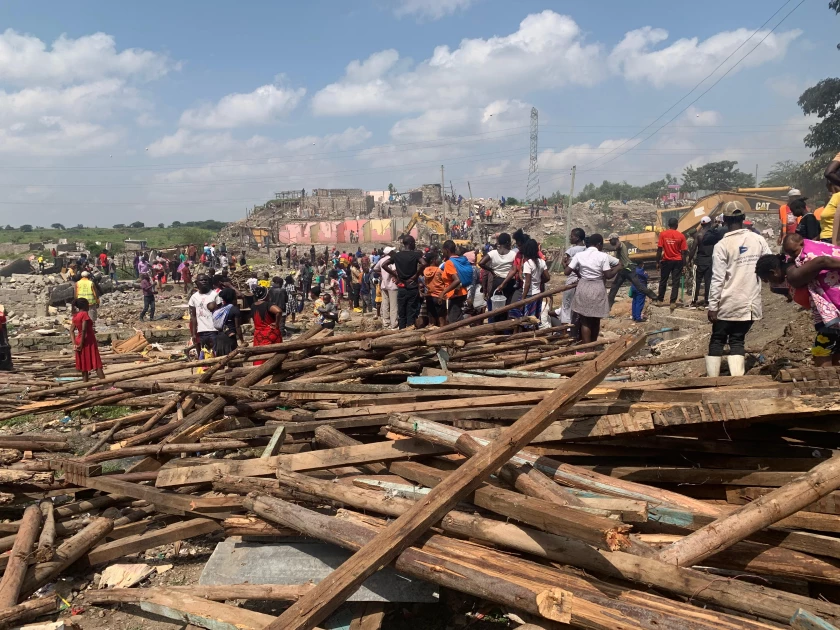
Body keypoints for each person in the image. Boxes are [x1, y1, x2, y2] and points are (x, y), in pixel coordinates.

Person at [705, 201, 771, 377]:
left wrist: (713, 306)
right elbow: (770, 265)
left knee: (717, 339)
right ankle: (737, 380)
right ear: (743, 218)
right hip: (749, 303)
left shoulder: (722, 246)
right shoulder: (758, 240)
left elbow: (718, 278)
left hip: (728, 302)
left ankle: (713, 380)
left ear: (724, 220)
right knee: (737, 339)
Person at [564, 234, 620, 344]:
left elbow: (567, 272)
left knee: (585, 320)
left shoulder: (579, 255)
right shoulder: (602, 256)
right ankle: (593, 345)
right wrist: (618, 268)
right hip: (597, 287)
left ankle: (587, 347)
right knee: (596, 319)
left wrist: (578, 273)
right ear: (599, 244)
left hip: (583, 287)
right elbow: (608, 275)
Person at [607, 232, 658, 309]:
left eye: (610, 240)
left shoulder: (620, 244)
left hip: (629, 269)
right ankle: (607, 307)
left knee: (639, 287)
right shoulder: (618, 247)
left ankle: (655, 297)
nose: (610, 242)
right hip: (623, 270)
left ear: (615, 239)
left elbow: (616, 247)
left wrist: (604, 249)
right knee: (614, 287)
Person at [478, 233, 516, 319]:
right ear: (508, 243)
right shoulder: (513, 254)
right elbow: (514, 270)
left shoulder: (493, 253)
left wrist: (491, 270)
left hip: (496, 281)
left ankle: (496, 325)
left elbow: (480, 263)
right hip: (508, 282)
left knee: (496, 304)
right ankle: (506, 327)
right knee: (507, 305)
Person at [656, 217, 688, 310]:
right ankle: (672, 302)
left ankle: (660, 300)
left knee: (663, 281)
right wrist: (684, 265)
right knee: (675, 282)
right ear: (677, 225)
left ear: (668, 225)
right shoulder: (681, 236)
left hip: (666, 261)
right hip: (677, 261)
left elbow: (659, 250)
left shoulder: (663, 234)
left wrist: (657, 262)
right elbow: (683, 253)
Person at [558, 228, 587, 330]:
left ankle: (565, 332)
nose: (570, 238)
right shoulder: (586, 249)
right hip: (583, 281)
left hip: (571, 281)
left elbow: (566, 268)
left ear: (577, 238)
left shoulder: (571, 250)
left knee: (566, 306)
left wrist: (564, 264)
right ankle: (577, 329)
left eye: (572, 236)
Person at [689, 216, 721, 308]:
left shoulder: (699, 235)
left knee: (696, 282)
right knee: (708, 282)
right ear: (709, 223)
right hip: (710, 261)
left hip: (699, 261)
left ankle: (694, 302)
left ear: (702, 224)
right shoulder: (713, 235)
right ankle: (707, 302)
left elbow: (693, 249)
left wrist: (689, 260)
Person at [70, 298, 104, 382]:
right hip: (87, 341)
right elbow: (84, 329)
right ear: (84, 305)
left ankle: (86, 386)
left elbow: (71, 331)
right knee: (96, 363)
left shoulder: (75, 316)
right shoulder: (84, 314)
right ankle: (106, 384)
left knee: (83, 365)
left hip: (79, 340)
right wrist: (82, 343)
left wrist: (74, 343)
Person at [188, 274, 221, 355]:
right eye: (201, 280)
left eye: (205, 280)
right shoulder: (194, 297)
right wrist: (194, 334)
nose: (204, 282)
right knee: (205, 352)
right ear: (196, 283)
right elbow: (193, 316)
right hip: (202, 331)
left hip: (214, 330)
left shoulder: (214, 295)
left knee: (216, 352)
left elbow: (220, 312)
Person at [519, 238, 549, 324]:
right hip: (538, 293)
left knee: (528, 319)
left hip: (529, 295)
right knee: (535, 317)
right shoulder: (542, 262)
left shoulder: (528, 264)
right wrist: (539, 281)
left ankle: (528, 335)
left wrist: (523, 299)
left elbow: (527, 283)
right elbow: (547, 277)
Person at [438, 240, 469, 324]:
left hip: (455, 295)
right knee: (457, 318)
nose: (442, 252)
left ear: (447, 250)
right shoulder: (460, 259)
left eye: (443, 250)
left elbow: (457, 280)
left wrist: (443, 292)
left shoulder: (449, 263)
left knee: (454, 321)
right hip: (462, 292)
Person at [251, 285, 282, 365]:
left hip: (258, 335)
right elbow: (278, 311)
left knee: (259, 356)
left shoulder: (253, 306)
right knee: (273, 355)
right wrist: (277, 323)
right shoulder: (268, 304)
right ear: (266, 295)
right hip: (270, 333)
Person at [213, 287, 243, 357]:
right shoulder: (234, 309)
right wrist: (242, 340)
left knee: (221, 362)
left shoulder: (219, 309)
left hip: (219, 338)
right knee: (233, 362)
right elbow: (237, 327)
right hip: (229, 339)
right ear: (233, 297)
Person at [373, 246, 398, 330]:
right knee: (393, 305)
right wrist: (395, 275)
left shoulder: (381, 260)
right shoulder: (392, 260)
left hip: (384, 285)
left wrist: (382, 274)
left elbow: (375, 268)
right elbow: (394, 270)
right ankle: (394, 323)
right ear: (390, 252)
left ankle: (386, 323)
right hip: (392, 285)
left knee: (385, 304)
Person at [422, 250, 447, 327]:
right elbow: (445, 281)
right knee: (441, 319)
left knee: (431, 318)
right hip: (440, 296)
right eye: (437, 258)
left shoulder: (425, 271)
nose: (439, 260)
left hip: (429, 296)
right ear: (433, 260)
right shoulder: (439, 271)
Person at [824, 179, 840, 245]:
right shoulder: (834, 197)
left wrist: (834, 243)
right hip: (828, 238)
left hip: (831, 237)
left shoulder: (838, 196)